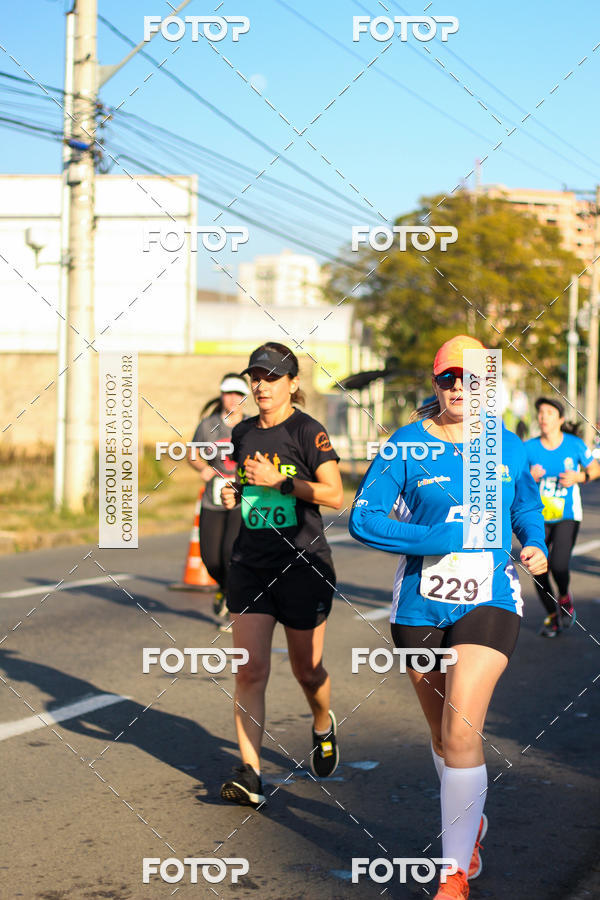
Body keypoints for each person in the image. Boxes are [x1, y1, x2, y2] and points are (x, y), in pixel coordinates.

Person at [349, 335, 548, 900]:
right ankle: (470, 818)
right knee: (442, 738)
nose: (460, 388)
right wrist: (434, 536)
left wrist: (533, 541)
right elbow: (365, 519)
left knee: (462, 729)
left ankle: (452, 871)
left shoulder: (505, 445)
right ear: (435, 384)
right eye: (448, 379)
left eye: (471, 379)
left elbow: (526, 505)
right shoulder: (404, 446)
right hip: (419, 604)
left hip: (490, 599)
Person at [219, 342, 343, 808]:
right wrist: (235, 492)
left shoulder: (309, 432)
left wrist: (283, 482)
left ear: (292, 384)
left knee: (306, 670)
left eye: (271, 377)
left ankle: (322, 722)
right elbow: (244, 480)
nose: (261, 385)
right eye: (256, 376)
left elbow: (334, 494)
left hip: (303, 565)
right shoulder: (244, 432)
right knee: (250, 670)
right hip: (251, 563)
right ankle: (250, 774)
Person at [525, 397, 600, 637]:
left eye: (549, 412)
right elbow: (513, 478)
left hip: (568, 514)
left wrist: (578, 478)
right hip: (537, 517)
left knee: (558, 564)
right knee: (537, 569)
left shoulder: (574, 445)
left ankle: (564, 596)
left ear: (560, 419)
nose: (543, 416)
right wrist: (528, 476)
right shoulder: (529, 448)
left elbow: (595, 469)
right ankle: (551, 616)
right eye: (541, 412)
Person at [187, 374, 249, 625]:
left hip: (240, 495)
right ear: (221, 394)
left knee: (229, 553)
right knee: (210, 558)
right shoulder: (208, 425)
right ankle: (223, 588)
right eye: (228, 392)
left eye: (237, 393)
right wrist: (202, 467)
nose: (232, 398)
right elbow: (192, 453)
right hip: (213, 496)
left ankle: (233, 604)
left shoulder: (252, 425)